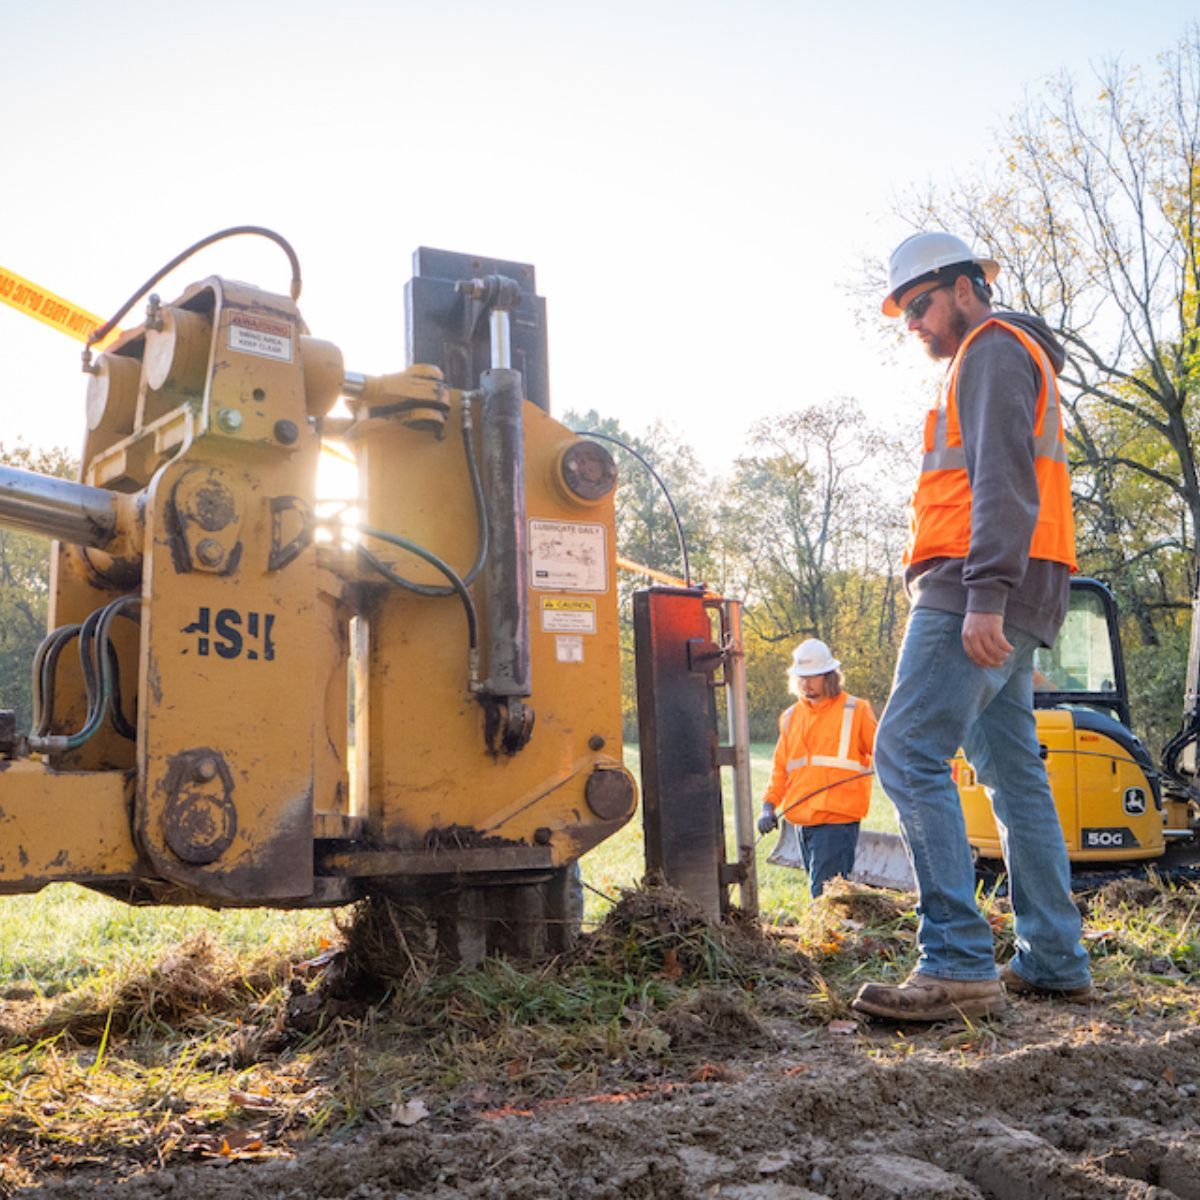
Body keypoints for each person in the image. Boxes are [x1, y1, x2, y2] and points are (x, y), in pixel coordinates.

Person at [851, 232, 1092, 1023]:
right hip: (1021, 584)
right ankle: (1054, 957)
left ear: (963, 287)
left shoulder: (989, 350)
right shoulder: (1007, 354)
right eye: (905, 314)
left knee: (906, 749)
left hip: (973, 585)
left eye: (919, 305)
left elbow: (1001, 479)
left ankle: (955, 959)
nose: (913, 324)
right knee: (1014, 770)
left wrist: (985, 592)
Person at [757, 638, 876, 898]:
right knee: (825, 896)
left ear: (829, 676)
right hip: (802, 820)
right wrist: (769, 805)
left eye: (813, 676)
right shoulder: (791, 717)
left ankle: (829, 938)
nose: (806, 683)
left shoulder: (856, 710)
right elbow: (781, 768)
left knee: (824, 896)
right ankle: (836, 935)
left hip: (836, 821)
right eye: (802, 677)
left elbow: (883, 753)